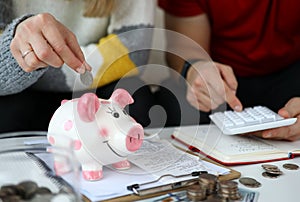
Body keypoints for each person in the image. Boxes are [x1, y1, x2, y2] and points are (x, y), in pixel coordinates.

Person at [0, 0, 156, 133]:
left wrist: (41, 61)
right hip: (21, 87)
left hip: (97, 84)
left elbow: (133, 51)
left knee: (136, 98)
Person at [157, 0, 300, 141]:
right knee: (175, 106)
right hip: (218, 79)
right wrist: (194, 70)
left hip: (290, 73)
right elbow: (183, 46)